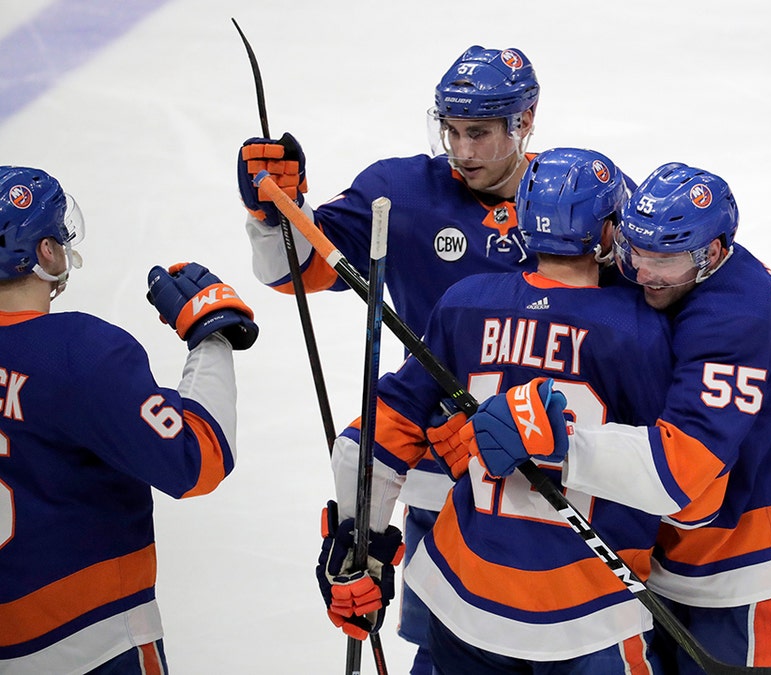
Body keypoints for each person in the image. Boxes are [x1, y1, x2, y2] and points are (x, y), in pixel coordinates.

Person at [453, 162, 771, 673]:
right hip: (683, 546)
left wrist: (557, 444)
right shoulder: (674, 270)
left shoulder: (734, 318)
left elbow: (679, 475)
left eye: (664, 261)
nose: (643, 274)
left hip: (754, 554)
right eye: (634, 252)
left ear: (713, 253)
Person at [235, 45, 541, 672]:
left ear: (525, 121)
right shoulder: (403, 193)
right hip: (434, 459)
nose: (463, 150)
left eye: (479, 133)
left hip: (548, 463)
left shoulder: (572, 197)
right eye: (450, 131)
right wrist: (273, 214)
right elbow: (292, 271)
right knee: (449, 644)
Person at [317, 147, 677, 672]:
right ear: (606, 234)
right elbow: (680, 475)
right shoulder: (638, 329)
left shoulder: (467, 301)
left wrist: (356, 547)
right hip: (589, 607)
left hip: (463, 598)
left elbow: (367, 444)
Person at [0, 166, 258, 674]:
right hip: (89, 644)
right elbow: (197, 459)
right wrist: (212, 337)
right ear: (46, 253)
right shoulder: (79, 353)